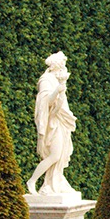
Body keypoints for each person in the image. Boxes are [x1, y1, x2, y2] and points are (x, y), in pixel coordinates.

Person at [26, 52, 77, 195]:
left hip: (61, 122)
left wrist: (61, 87)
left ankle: (55, 181)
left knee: (60, 156)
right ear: (57, 64)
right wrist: (57, 90)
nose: (64, 66)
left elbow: (60, 102)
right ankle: (32, 181)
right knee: (54, 155)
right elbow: (45, 101)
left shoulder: (57, 79)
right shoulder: (46, 79)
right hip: (52, 123)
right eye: (62, 63)